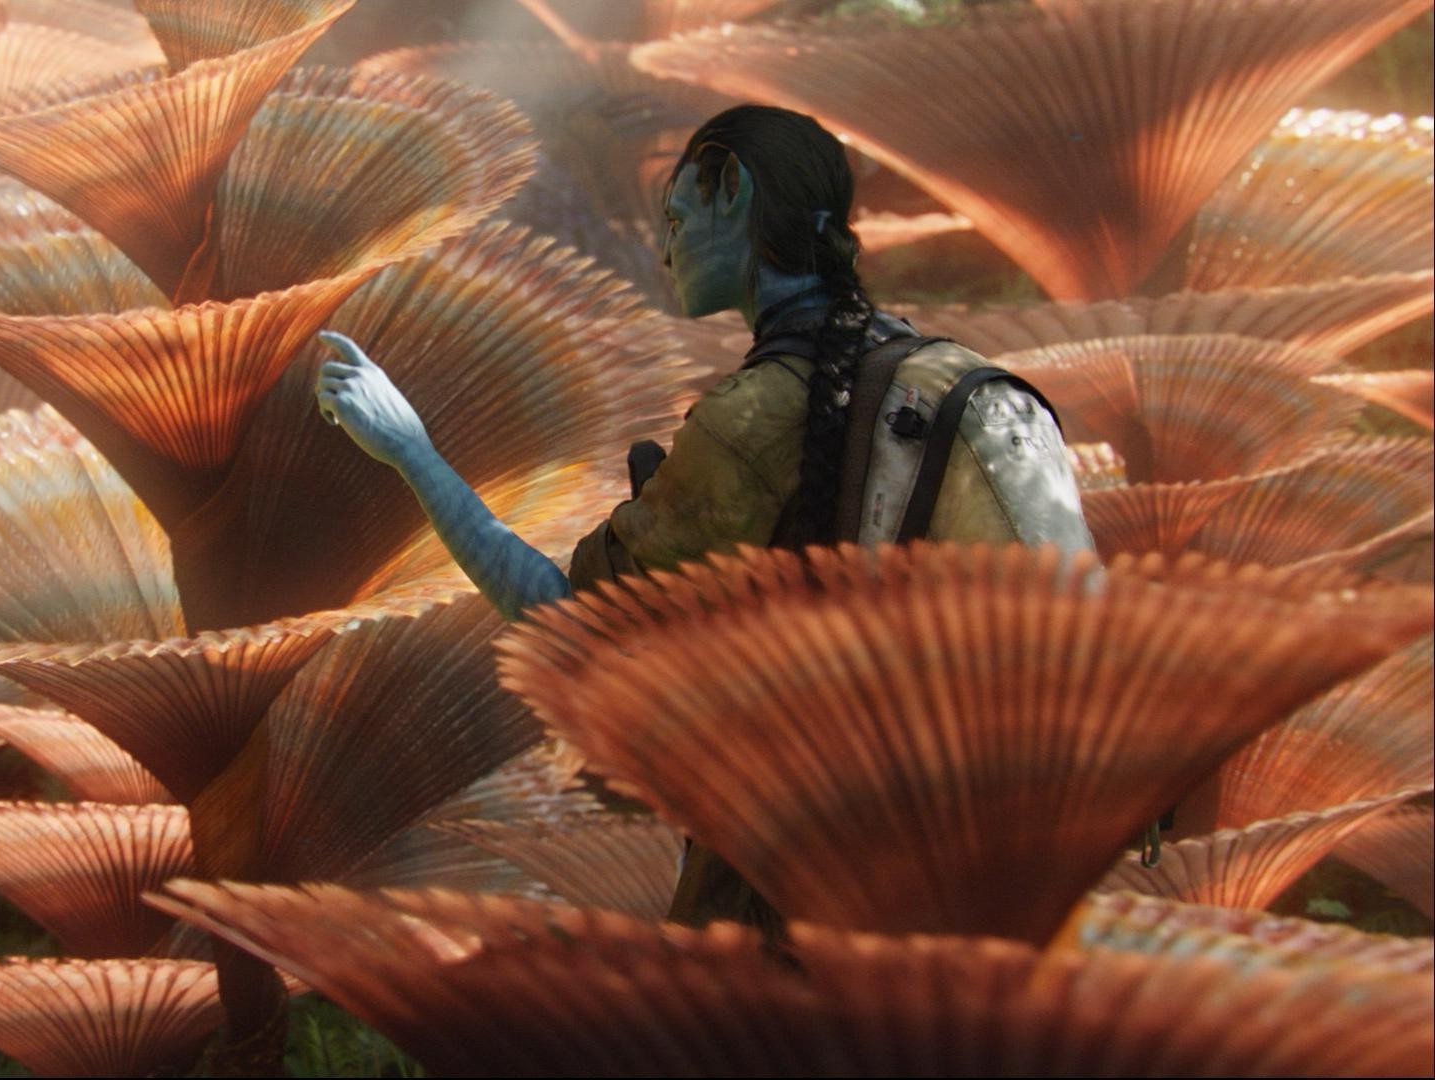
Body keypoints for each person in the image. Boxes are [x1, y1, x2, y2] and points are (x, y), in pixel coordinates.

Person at [315, 104, 1096, 925]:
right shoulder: (956, 380)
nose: (665, 247)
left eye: (679, 216)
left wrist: (411, 451)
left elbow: (561, 615)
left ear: (734, 192)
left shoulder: (754, 418)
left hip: (794, 894)